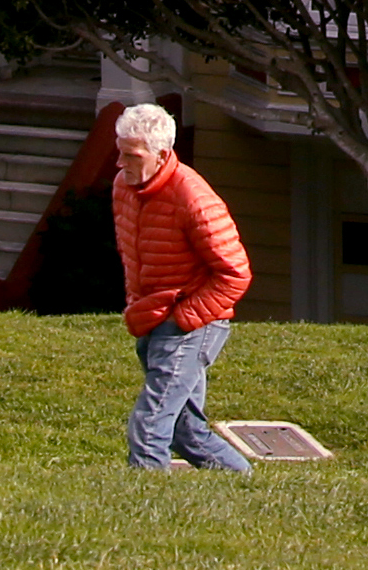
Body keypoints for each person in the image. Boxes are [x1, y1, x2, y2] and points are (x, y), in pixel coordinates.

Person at [107, 100, 253, 472]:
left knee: (151, 423)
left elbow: (235, 273)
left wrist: (184, 319)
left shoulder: (193, 198)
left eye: (132, 156)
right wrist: (140, 307)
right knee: (186, 431)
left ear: (161, 154)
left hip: (192, 323)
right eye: (120, 154)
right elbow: (133, 255)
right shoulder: (122, 186)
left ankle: (145, 504)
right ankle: (244, 481)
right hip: (153, 317)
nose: (122, 164)